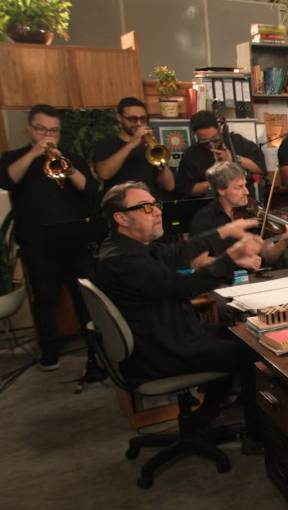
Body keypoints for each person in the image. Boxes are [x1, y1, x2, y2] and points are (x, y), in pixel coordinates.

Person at [93, 181, 265, 443]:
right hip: (161, 350)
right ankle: (256, 437)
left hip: (166, 333)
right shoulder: (123, 260)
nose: (158, 211)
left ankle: (206, 415)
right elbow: (184, 287)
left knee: (236, 333)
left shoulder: (124, 246)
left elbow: (176, 253)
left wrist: (225, 231)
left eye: (156, 205)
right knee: (253, 353)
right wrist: (231, 257)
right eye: (146, 207)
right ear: (121, 218)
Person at [0, 104, 99, 371]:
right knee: (45, 299)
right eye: (42, 129)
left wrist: (66, 166)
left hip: (75, 241)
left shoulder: (72, 158)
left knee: (86, 298)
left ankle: (97, 350)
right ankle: (49, 352)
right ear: (29, 129)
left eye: (53, 130)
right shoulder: (14, 157)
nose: (48, 135)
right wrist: (34, 153)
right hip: (38, 243)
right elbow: (7, 180)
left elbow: (89, 190)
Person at [187, 161, 288, 269]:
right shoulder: (204, 218)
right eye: (239, 187)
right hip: (220, 283)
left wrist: (285, 239)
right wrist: (236, 261)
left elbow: (268, 257)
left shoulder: (252, 212)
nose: (246, 192)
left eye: (245, 185)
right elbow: (197, 262)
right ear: (221, 190)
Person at [93, 97, 175, 200]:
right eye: (132, 119)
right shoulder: (106, 144)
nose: (138, 123)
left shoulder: (151, 147)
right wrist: (130, 145)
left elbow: (169, 186)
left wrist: (162, 163)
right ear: (119, 118)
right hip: (121, 206)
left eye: (143, 119)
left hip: (149, 205)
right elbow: (104, 174)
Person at [175, 111, 265, 199]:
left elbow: (260, 168)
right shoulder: (191, 155)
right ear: (196, 136)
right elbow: (187, 190)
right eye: (205, 141)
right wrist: (216, 181)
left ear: (219, 130)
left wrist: (234, 159)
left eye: (214, 139)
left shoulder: (236, 141)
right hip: (209, 206)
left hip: (244, 201)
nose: (211, 144)